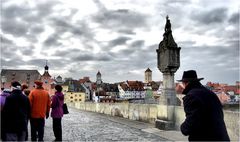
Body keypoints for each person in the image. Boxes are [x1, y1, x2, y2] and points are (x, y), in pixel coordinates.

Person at [178, 70, 230, 141]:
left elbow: (192, 122)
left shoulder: (191, 96)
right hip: (221, 137)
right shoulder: (210, 93)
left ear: (185, 83)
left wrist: (183, 128)